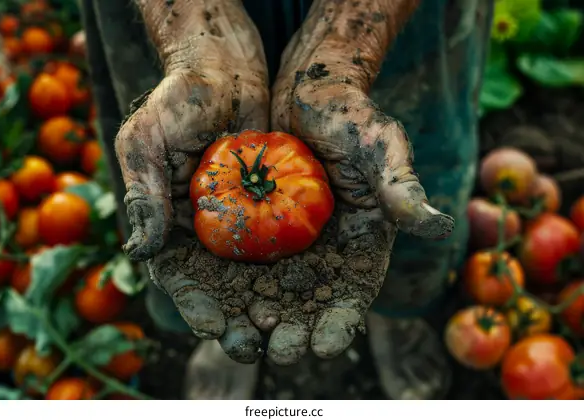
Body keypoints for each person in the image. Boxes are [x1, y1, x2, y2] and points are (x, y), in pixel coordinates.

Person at [82, 0, 493, 400]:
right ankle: (222, 312)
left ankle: (397, 309)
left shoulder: (232, 173)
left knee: (393, 157)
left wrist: (343, 48)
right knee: (164, 152)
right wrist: (195, 41)